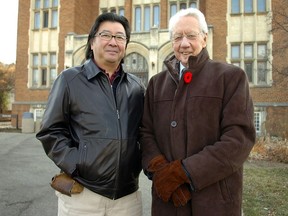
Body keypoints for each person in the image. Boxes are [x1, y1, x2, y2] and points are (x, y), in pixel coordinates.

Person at [140, 8, 256, 216]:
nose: (184, 44)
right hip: (168, 202)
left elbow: (238, 140)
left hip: (215, 203)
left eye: (191, 36)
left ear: (204, 38)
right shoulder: (156, 84)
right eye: (177, 37)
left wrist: (184, 172)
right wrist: (162, 172)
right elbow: (145, 133)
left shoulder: (230, 78)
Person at [36, 12, 144, 216]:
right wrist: (78, 164)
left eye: (120, 37)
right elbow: (50, 131)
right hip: (83, 194)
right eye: (106, 35)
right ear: (92, 42)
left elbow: (144, 133)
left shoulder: (137, 87)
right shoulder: (69, 80)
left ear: (126, 45)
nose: (113, 42)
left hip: (127, 198)